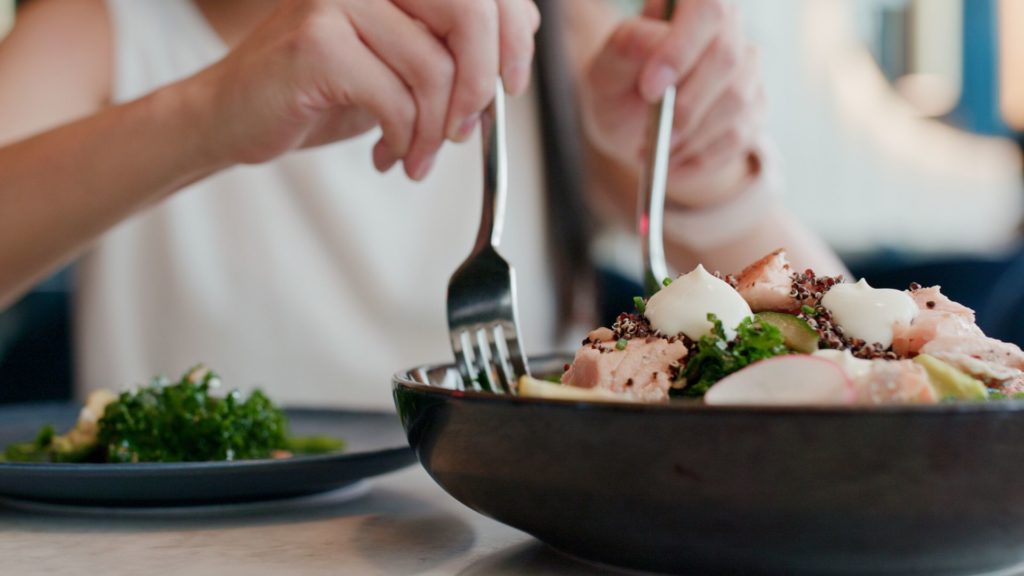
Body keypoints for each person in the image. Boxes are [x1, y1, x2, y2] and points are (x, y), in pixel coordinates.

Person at [0, 0, 843, 408]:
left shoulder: (550, 28)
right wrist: (210, 111)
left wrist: (705, 175)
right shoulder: (101, 25)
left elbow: (858, 359)